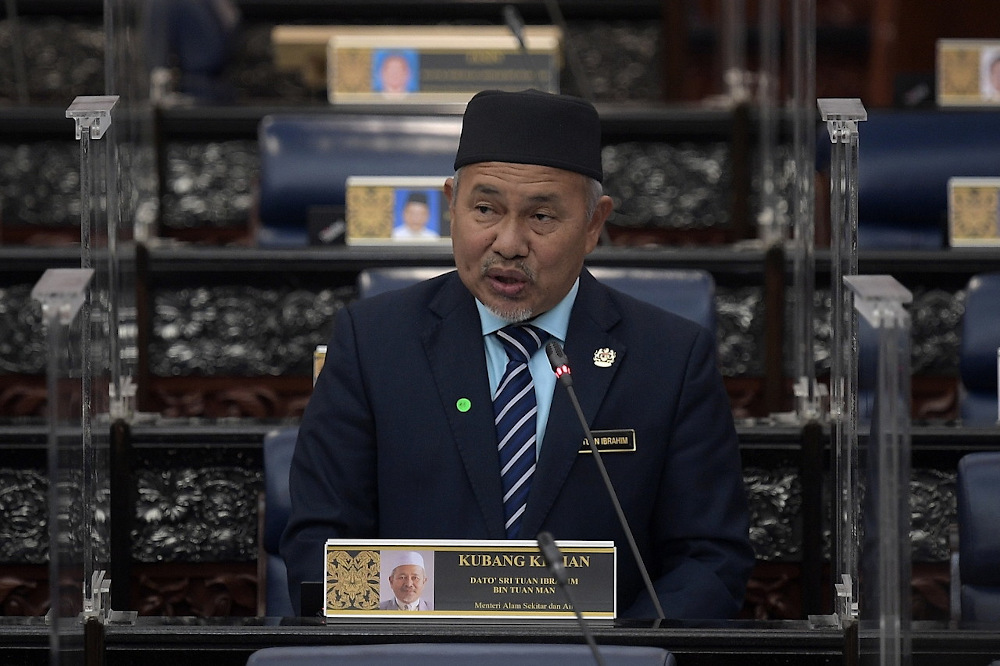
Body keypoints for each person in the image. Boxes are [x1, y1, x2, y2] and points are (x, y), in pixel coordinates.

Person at [281, 89, 755, 619]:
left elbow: (709, 560)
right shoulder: (372, 342)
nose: (508, 243)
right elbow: (320, 545)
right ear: (450, 206)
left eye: (542, 217)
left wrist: (627, 654)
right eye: (485, 209)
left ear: (594, 224)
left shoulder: (670, 358)